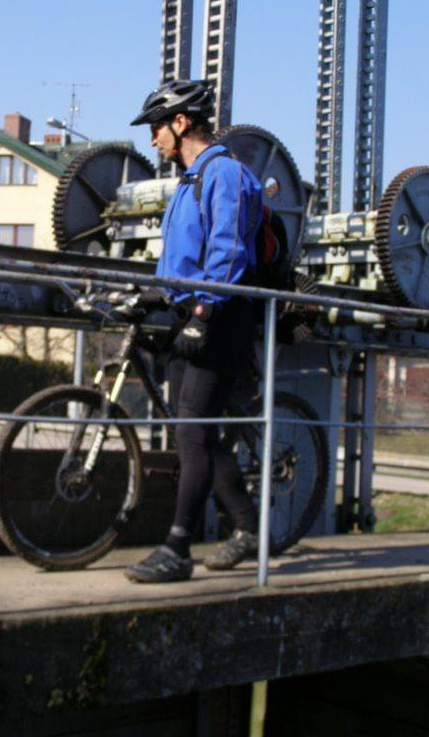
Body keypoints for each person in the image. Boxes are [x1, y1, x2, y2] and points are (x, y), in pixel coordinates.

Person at [124, 79, 263, 583]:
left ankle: (178, 549)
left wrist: (203, 315)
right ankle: (248, 529)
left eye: (157, 128)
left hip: (219, 319)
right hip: (193, 315)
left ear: (181, 124)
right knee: (198, 433)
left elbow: (226, 253)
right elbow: (185, 258)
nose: (152, 140)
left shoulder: (223, 173)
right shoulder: (189, 181)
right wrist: (153, 295)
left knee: (192, 431)